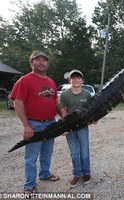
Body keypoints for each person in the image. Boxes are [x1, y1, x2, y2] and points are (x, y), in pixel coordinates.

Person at [10, 50, 62, 194]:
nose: (41, 62)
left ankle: (45, 174)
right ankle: (29, 186)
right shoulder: (25, 80)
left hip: (51, 123)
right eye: (37, 60)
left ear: (47, 63)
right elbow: (18, 103)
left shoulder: (50, 81)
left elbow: (55, 103)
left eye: (44, 60)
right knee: (31, 157)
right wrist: (26, 125)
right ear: (31, 62)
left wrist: (63, 118)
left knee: (47, 153)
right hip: (35, 124)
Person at [60, 69, 92, 188]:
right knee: (74, 153)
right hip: (70, 128)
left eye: (79, 78)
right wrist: (64, 127)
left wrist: (94, 119)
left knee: (84, 152)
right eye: (73, 78)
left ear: (82, 80)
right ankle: (77, 174)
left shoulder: (87, 94)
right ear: (70, 80)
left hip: (83, 127)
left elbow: (90, 111)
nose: (76, 80)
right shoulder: (65, 94)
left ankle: (86, 173)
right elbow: (64, 111)